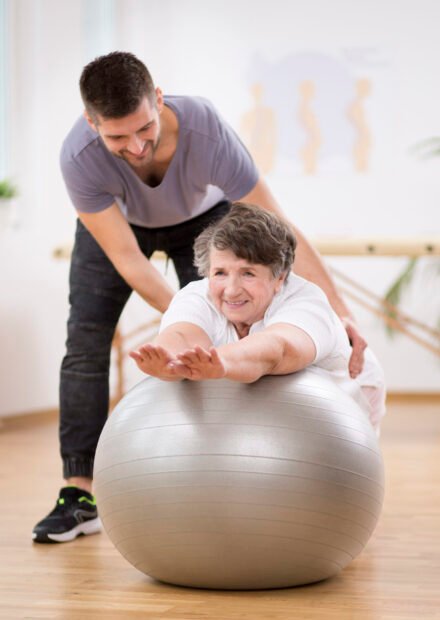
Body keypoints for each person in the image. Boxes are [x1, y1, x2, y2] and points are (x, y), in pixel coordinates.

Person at [32, 51, 368, 544]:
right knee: (84, 340)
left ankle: (233, 465)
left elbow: (279, 227)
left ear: (159, 100)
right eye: (117, 137)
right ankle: (78, 495)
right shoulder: (79, 156)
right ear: (91, 123)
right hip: (121, 228)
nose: (136, 145)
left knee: (234, 337)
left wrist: (339, 312)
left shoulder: (206, 130)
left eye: (144, 128)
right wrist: (190, 318)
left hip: (204, 221)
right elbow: (129, 261)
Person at [130, 203, 386, 431]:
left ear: (279, 277)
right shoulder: (197, 296)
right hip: (266, 406)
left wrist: (223, 361)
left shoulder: (306, 301)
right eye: (220, 273)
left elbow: (277, 349)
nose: (231, 289)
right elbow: (182, 334)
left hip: (350, 394)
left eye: (248, 273)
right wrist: (170, 361)